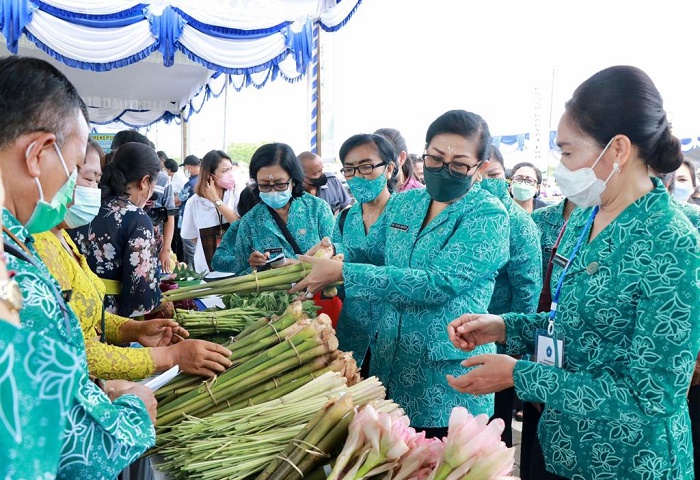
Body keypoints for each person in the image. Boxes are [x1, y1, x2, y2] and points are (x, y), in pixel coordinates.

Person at [447, 65, 700, 479]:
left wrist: (519, 374)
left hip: (630, 462)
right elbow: (576, 320)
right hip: (564, 444)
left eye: (567, 152)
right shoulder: (590, 215)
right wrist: (504, 327)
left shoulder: (671, 242)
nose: (560, 165)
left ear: (617, 149)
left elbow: (650, 399)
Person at [291, 110, 510, 437]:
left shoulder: (488, 216)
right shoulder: (405, 204)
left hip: (446, 377)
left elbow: (438, 284)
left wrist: (342, 272)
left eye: (460, 164)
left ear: (479, 168)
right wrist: (323, 257)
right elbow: (369, 254)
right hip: (389, 364)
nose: (444, 169)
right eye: (435, 158)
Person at [0, 55, 155, 478]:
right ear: (37, 154)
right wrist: (133, 412)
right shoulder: (10, 280)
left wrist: (96, 389)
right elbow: (57, 443)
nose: (71, 192)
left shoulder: (16, 243)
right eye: (73, 171)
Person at [34, 140, 233, 380]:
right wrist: (170, 356)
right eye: (87, 178)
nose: (93, 191)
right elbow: (68, 349)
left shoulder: (61, 234)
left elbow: (84, 315)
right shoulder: (34, 245)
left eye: (97, 181)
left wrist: (134, 329)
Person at [480, 145, 542, 448]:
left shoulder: (518, 222)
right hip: (455, 337)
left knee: (492, 428)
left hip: (498, 338)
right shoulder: (459, 212)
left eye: (492, 173)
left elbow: (528, 289)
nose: (484, 179)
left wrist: (514, 350)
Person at [212, 143, 334, 275]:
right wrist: (250, 263)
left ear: (293, 180)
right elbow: (225, 265)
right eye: (264, 185)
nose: (273, 191)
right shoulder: (250, 221)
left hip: (315, 292)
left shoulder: (317, 209)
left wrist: (301, 265)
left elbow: (338, 253)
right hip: (272, 294)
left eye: (280, 184)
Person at [71, 142, 162, 318]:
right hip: (109, 317)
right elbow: (142, 293)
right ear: (144, 182)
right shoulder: (137, 218)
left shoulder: (82, 205)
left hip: (73, 307)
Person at [331, 133, 398, 370]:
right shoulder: (345, 217)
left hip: (393, 333)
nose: (357, 176)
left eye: (366, 167)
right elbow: (335, 267)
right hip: (352, 329)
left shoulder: (406, 215)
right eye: (349, 169)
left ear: (389, 169)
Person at [180, 149, 241, 273]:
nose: (229, 174)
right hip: (206, 266)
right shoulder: (194, 202)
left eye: (230, 169)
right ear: (209, 174)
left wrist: (216, 201)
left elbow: (240, 225)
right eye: (224, 171)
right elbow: (191, 236)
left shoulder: (236, 193)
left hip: (236, 262)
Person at [374, 127, 424, 191]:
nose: (379, 166)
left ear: (401, 158)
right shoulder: (371, 193)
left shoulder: (421, 196)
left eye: (385, 159)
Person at [178, 154, 201, 267]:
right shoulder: (203, 180)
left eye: (186, 168)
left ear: (189, 167)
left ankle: (195, 276)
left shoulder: (191, 183)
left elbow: (177, 199)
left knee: (190, 251)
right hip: (200, 221)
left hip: (188, 222)